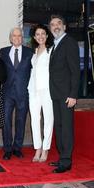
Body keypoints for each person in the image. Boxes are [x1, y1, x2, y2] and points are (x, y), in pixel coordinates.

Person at [49, 15, 80, 173]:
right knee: (59, 126)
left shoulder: (69, 42)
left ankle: (66, 161)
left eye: (58, 23)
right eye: (52, 24)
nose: (56, 26)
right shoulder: (55, 44)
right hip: (56, 94)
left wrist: (73, 94)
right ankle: (62, 157)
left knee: (66, 128)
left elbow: (75, 71)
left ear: (64, 26)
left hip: (67, 95)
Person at [0, 27, 33, 160]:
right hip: (7, 92)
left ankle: (17, 148)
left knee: (21, 121)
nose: (17, 38)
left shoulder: (30, 52)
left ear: (22, 38)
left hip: (23, 92)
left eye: (19, 36)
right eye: (14, 36)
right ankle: (7, 148)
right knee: (6, 121)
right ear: (10, 38)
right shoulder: (3, 52)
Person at [28, 24, 54, 162]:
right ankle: (37, 148)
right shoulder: (35, 51)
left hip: (48, 90)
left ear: (47, 35)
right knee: (34, 120)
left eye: (43, 33)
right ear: (34, 37)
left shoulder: (52, 50)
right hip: (33, 90)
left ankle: (45, 149)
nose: (40, 36)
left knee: (48, 120)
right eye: (37, 34)